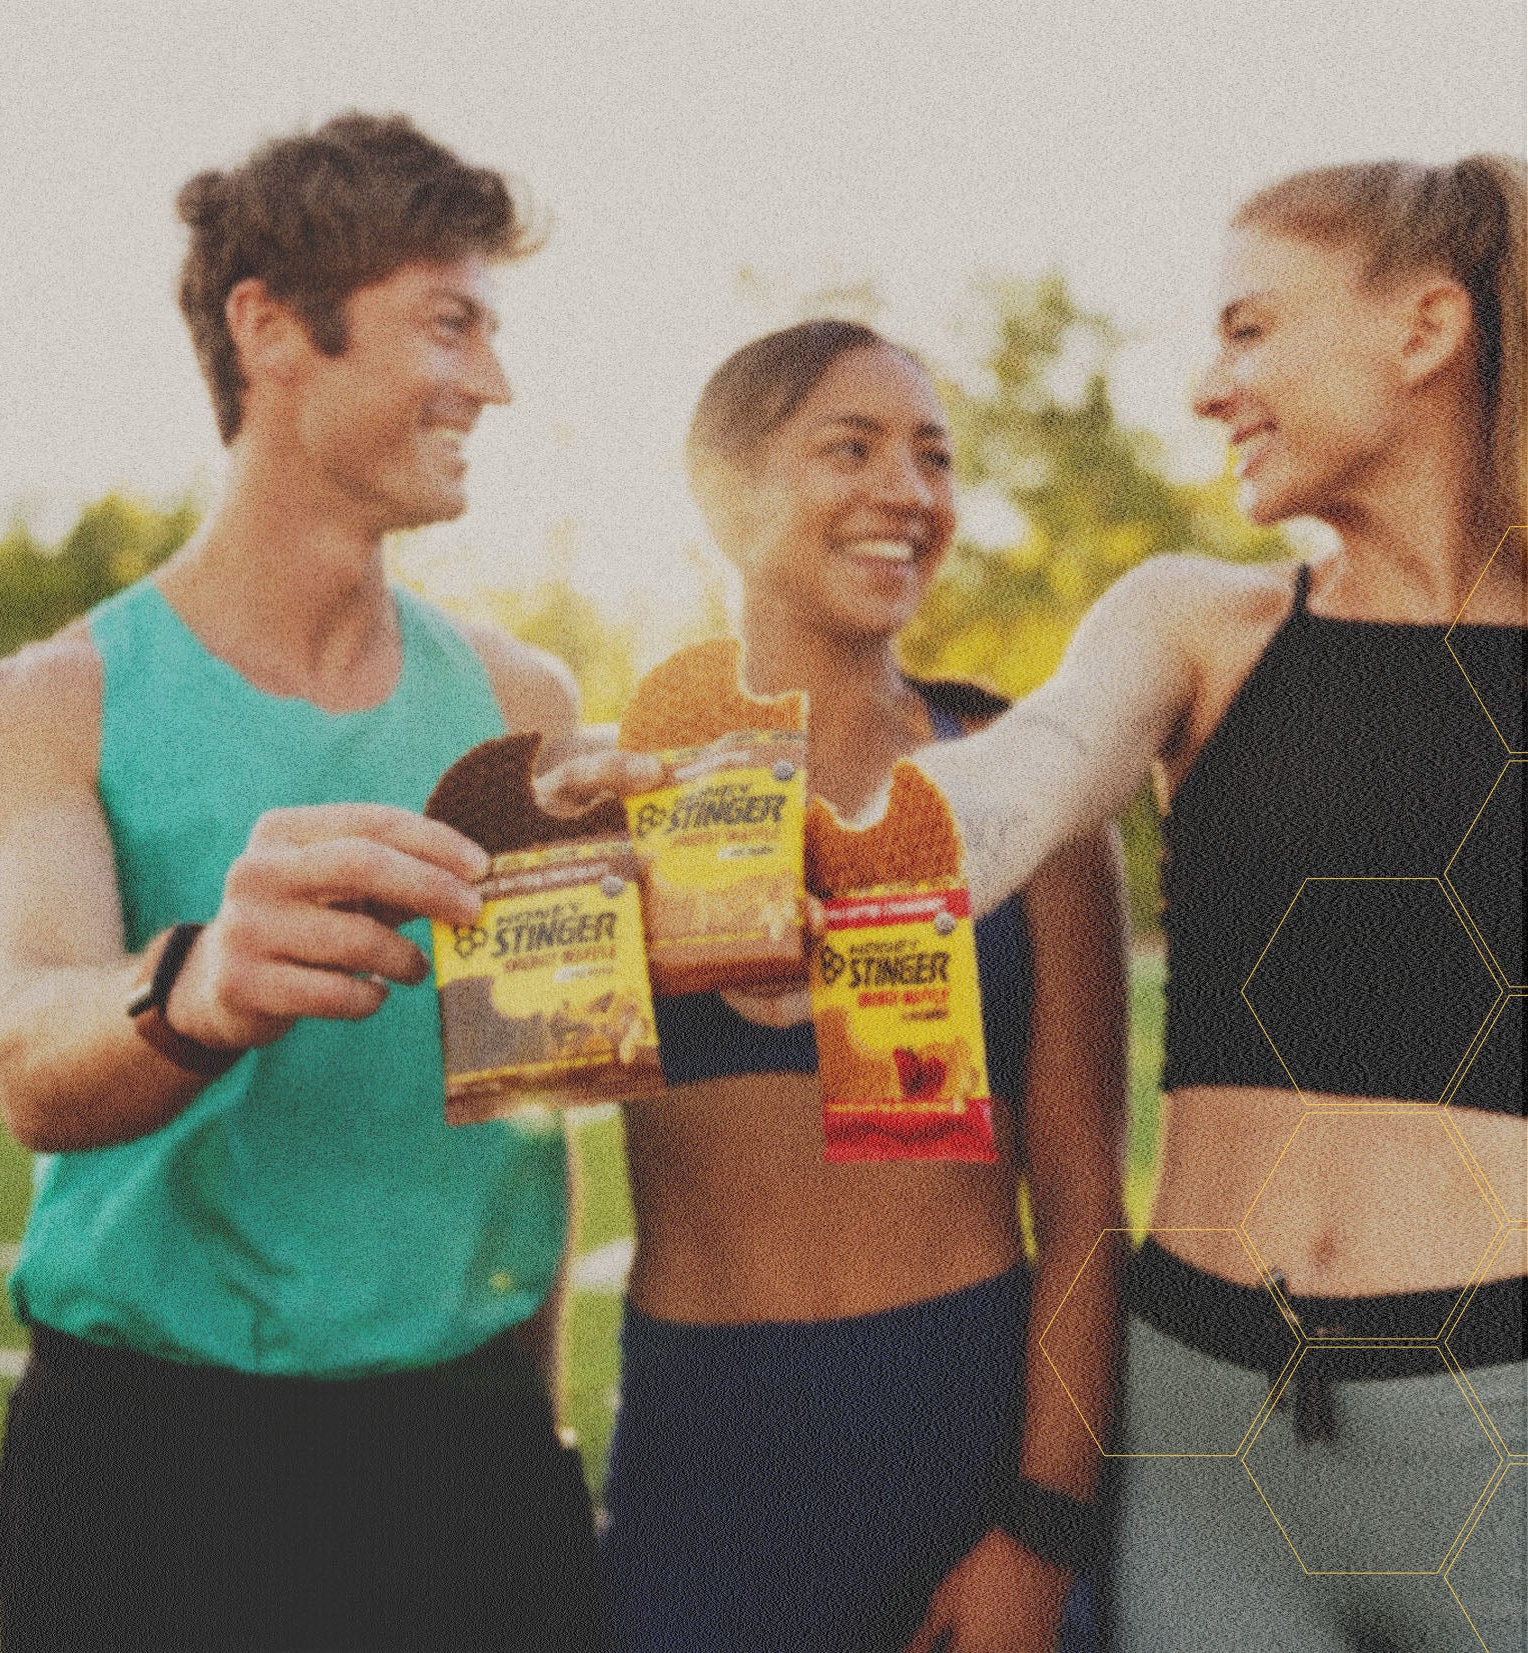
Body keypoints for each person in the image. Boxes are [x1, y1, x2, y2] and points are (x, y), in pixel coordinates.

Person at [0, 112, 623, 1653]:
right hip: (153, 1473)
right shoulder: (40, 706)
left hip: (475, 1470)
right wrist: (200, 983)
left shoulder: (528, 705)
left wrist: (740, 932)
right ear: (268, 327)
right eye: (447, 324)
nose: (491, 383)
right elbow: (26, 1050)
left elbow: (540, 1107)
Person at [913, 157, 1527, 1652]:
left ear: (1425, 328)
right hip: (1205, 1436)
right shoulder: (1196, 622)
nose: (1206, 386)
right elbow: (1005, 789)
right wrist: (803, 853)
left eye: (1247, 329)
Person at [588, 320, 1127, 1653]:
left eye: (933, 459)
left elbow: (1081, 1198)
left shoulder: (1028, 783)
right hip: (694, 1452)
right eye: (852, 446)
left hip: (953, 1428)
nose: (908, 491)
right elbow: (498, 1117)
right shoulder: (606, 802)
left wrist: (1040, 1531)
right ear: (724, 492)